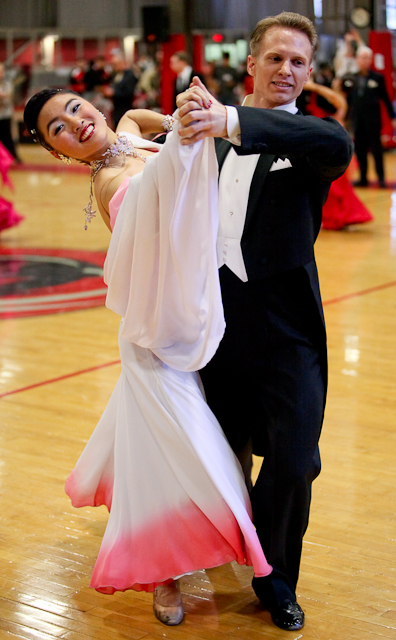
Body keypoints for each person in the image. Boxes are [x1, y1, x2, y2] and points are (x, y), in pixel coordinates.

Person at [23, 88, 272, 627]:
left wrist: (167, 121)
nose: (75, 122)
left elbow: (134, 118)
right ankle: (163, 575)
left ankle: (181, 550)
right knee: (177, 450)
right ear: (57, 151)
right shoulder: (112, 182)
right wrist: (187, 128)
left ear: (93, 105)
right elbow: (167, 191)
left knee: (152, 443)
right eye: (57, 128)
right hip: (153, 334)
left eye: (74, 107)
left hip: (185, 314)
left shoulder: (128, 138)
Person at [176, 11, 353, 631]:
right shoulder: (205, 137)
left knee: (294, 459)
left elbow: (336, 147)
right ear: (251, 64)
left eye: (298, 61)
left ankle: (275, 579)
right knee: (220, 452)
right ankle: (225, 538)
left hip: (288, 331)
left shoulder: (313, 139)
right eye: (275, 58)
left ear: (309, 72)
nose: (286, 70)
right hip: (214, 327)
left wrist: (231, 118)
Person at [303, 77, 373, 230]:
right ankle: (332, 216)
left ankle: (339, 216)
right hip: (325, 148)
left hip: (331, 149)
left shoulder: (338, 101)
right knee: (332, 186)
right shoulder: (327, 101)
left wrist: (314, 87)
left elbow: (333, 99)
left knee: (335, 185)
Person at [342, 46, 396, 187]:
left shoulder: (377, 78)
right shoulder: (351, 78)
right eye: (362, 58)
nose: (364, 61)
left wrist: (392, 117)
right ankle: (363, 178)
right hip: (358, 120)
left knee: (377, 150)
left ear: (370, 60)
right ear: (357, 59)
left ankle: (381, 178)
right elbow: (348, 100)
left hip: (373, 121)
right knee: (360, 150)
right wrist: (345, 118)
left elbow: (385, 98)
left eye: (367, 58)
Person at [102, 53, 137, 129]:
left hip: (125, 107)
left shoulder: (129, 75)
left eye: (116, 64)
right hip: (116, 107)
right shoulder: (115, 75)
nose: (114, 67)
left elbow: (129, 92)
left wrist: (114, 93)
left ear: (122, 63)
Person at [0, 63, 21, 163]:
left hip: (5, 114)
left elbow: (8, 97)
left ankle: (12, 157)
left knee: (7, 136)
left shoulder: (7, 84)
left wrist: (3, 97)